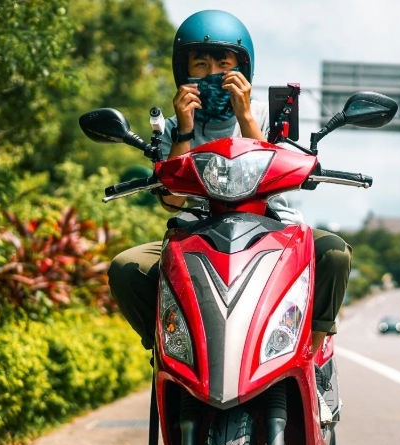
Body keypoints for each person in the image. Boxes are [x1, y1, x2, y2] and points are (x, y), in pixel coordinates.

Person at [108, 10, 351, 365]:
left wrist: (245, 117)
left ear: (243, 71)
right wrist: (187, 131)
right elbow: (172, 200)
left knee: (334, 253)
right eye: (201, 64)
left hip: (272, 229)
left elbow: (279, 176)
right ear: (184, 72)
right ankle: (171, 355)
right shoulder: (173, 127)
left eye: (224, 64)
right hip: (194, 236)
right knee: (126, 267)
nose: (213, 74)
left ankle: (310, 359)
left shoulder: (268, 118)